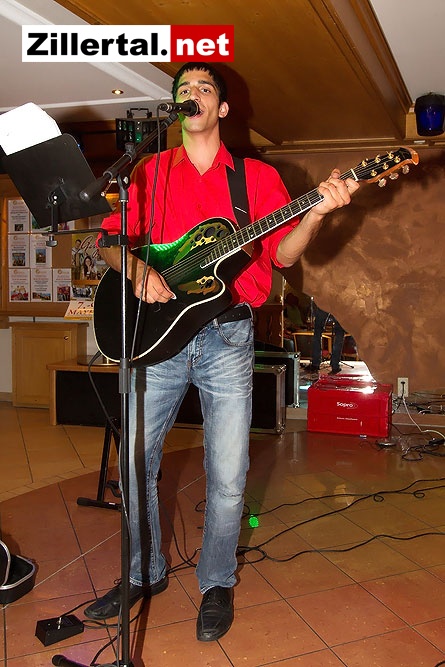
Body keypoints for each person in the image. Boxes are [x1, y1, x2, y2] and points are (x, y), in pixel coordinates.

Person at [84, 62, 359, 641]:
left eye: (204, 88)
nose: (192, 95)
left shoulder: (255, 178)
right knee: (133, 464)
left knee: (228, 474)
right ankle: (142, 574)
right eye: (183, 89)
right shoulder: (151, 170)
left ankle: (216, 582)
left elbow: (282, 255)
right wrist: (136, 270)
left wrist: (315, 213)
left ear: (222, 108)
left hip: (226, 335)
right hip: (156, 334)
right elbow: (108, 241)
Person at [307, 302, 346, 375]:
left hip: (325, 301)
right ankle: (335, 365)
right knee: (339, 333)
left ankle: (315, 363)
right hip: (339, 302)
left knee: (318, 331)